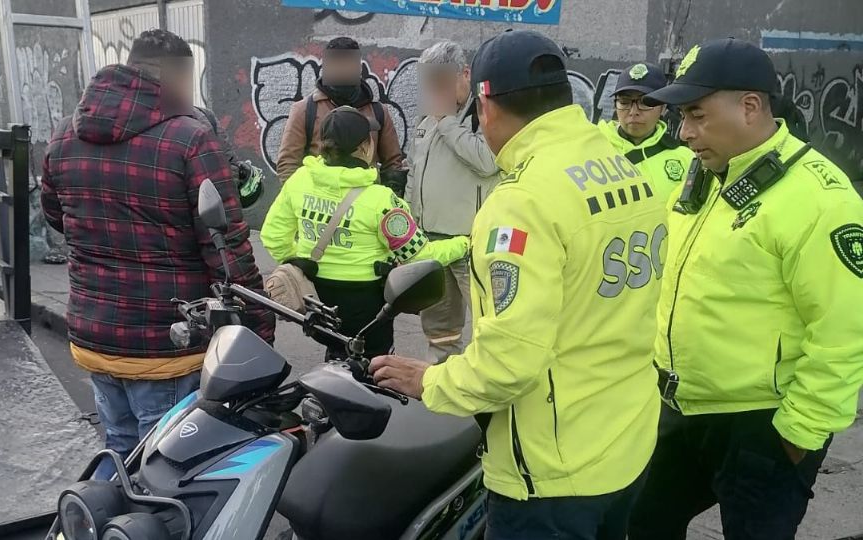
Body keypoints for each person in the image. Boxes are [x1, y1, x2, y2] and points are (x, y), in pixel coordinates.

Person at [371, 30, 666, 540]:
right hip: (629, 441)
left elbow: (509, 364)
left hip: (552, 472)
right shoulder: (621, 167)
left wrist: (431, 382)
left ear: (484, 103)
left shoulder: (521, 201)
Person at [627, 38, 863, 540]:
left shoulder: (821, 198)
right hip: (680, 407)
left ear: (751, 107)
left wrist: (798, 436)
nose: (684, 133)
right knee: (642, 522)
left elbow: (845, 330)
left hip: (761, 426)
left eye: (696, 115)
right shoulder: (709, 170)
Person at [41, 30, 276, 478]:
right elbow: (226, 248)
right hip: (165, 344)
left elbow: (58, 217)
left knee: (118, 449)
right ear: (180, 75)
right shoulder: (189, 138)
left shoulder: (64, 134)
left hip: (94, 334)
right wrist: (259, 326)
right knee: (166, 467)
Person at [261, 106, 468, 360]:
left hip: (316, 301)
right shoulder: (381, 201)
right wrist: (463, 244)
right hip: (367, 311)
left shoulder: (300, 181)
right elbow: (418, 257)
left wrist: (304, 263)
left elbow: (272, 236)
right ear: (365, 148)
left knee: (336, 356)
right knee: (373, 370)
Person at [405, 41, 499, 363]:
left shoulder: (486, 114)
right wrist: (409, 222)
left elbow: (488, 162)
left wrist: (447, 123)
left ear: (465, 75)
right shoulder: (426, 120)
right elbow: (414, 174)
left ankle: (487, 380)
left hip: (470, 242)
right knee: (439, 321)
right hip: (429, 241)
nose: (436, 90)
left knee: (489, 319)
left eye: (442, 81)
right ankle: (442, 372)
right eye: (431, 82)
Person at [276, 37, 405, 188]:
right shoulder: (305, 110)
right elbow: (288, 164)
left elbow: (393, 166)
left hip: (366, 206)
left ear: (359, 68)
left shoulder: (378, 112)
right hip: (320, 206)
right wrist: (302, 201)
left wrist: (389, 204)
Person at [598, 62, 694, 198]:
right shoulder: (593, 149)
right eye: (624, 102)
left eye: (644, 103)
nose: (633, 111)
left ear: (663, 107)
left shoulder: (686, 159)